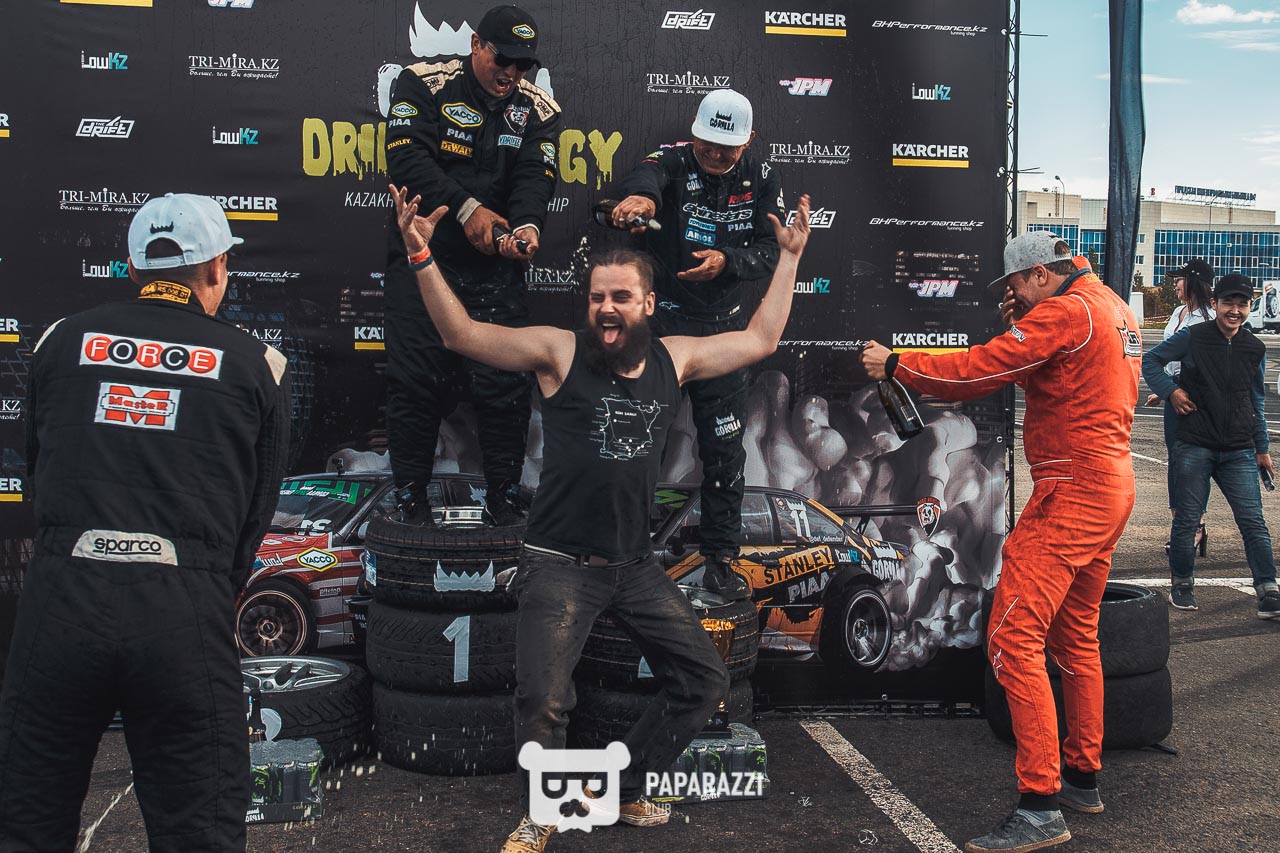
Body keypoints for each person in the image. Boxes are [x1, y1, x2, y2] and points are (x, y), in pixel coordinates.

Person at [387, 184, 809, 853]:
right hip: (559, 563)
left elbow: (761, 337)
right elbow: (460, 334)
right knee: (544, 701)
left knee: (703, 681)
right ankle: (540, 814)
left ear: (648, 304)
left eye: (620, 297)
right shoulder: (560, 352)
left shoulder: (676, 358)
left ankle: (624, 787)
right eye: (596, 297)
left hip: (634, 567)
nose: (606, 308)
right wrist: (421, 257)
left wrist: (788, 258)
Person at [0, 193, 291, 851]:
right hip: (183, 608)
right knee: (199, 833)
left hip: (61, 600)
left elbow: (38, 471)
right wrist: (199, 582)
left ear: (133, 268)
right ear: (217, 267)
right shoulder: (259, 364)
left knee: (26, 823)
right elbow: (255, 513)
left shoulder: (58, 340)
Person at [861, 232, 1140, 853]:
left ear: (1039, 273)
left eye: (1015, 284)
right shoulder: (1112, 307)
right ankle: (1082, 778)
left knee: (1013, 637)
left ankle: (1040, 806)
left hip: (1073, 490)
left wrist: (897, 363)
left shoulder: (1066, 312)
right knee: (1076, 635)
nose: (1012, 295)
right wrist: (1024, 326)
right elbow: (1065, 375)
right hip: (1110, 483)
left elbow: (980, 370)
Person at [383, 3, 560, 526]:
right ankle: (409, 500)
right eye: (502, 58)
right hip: (425, 258)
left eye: (523, 64)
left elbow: (536, 177)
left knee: (505, 386)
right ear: (476, 46)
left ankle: (504, 498)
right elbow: (407, 160)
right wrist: (467, 211)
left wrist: (526, 227)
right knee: (415, 383)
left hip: (495, 270)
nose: (511, 72)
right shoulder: (421, 82)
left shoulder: (539, 109)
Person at [608, 88, 786, 600]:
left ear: (748, 141)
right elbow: (645, 179)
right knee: (636, 441)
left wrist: (727, 262)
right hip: (662, 326)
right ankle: (621, 554)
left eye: (727, 147)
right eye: (707, 142)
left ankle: (721, 561)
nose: (714, 153)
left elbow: (774, 250)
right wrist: (642, 200)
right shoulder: (671, 160)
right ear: (694, 131)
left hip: (724, 333)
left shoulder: (763, 176)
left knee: (726, 453)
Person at [1142, 273, 1280, 618]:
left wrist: (1262, 448)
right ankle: (1182, 584)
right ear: (1215, 303)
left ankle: (1267, 589)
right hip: (1194, 444)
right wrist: (1172, 391)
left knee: (1253, 521)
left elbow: (1256, 399)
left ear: (1249, 307)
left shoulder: (1255, 347)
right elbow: (1151, 360)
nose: (1235, 310)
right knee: (1187, 520)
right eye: (1228, 302)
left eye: (1242, 304)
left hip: (1239, 449)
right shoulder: (1193, 336)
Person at [1144, 258, 1215, 554]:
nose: (1175, 284)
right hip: (1173, 392)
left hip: (1197, 398)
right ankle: (1180, 525)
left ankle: (1195, 526)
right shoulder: (1177, 312)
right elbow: (1167, 357)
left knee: (1194, 463)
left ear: (1195, 283)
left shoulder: (1209, 319)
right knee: (1175, 460)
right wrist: (1165, 390)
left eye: (1180, 279)